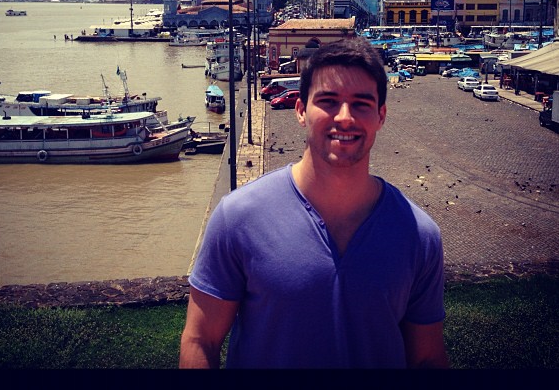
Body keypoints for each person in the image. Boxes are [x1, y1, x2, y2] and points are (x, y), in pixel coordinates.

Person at [179, 38, 449, 369]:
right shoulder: (237, 218)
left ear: (381, 116)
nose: (345, 117)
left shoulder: (419, 236)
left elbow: (426, 357)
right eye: (328, 101)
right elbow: (200, 339)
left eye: (361, 103)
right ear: (301, 111)